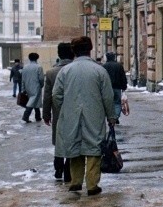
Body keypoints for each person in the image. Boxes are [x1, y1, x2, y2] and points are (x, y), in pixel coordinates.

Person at [53, 36, 117, 196]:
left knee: (75, 146)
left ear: (74, 51)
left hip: (71, 114)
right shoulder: (99, 70)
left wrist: (64, 109)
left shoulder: (65, 71)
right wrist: (111, 116)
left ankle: (76, 182)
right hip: (94, 114)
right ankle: (92, 185)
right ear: (90, 49)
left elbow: (56, 95)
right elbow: (108, 97)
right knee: (94, 147)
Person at [43, 42, 74, 185]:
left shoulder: (51, 72)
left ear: (59, 54)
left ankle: (58, 168)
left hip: (57, 112)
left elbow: (47, 96)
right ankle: (68, 168)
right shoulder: (75, 70)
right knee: (73, 140)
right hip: (75, 111)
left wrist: (46, 114)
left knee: (59, 140)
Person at [103, 51, 129, 123]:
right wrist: (124, 87)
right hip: (117, 88)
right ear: (114, 58)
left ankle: (110, 117)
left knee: (108, 103)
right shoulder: (119, 66)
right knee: (117, 103)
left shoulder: (104, 66)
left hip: (107, 89)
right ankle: (116, 117)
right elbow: (123, 77)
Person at [20, 52, 45, 123]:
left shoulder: (25, 67)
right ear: (37, 58)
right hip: (36, 86)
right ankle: (25, 116)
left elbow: (23, 79)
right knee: (32, 101)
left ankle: (38, 117)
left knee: (35, 101)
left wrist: (23, 88)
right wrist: (41, 85)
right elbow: (41, 78)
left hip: (27, 86)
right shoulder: (38, 67)